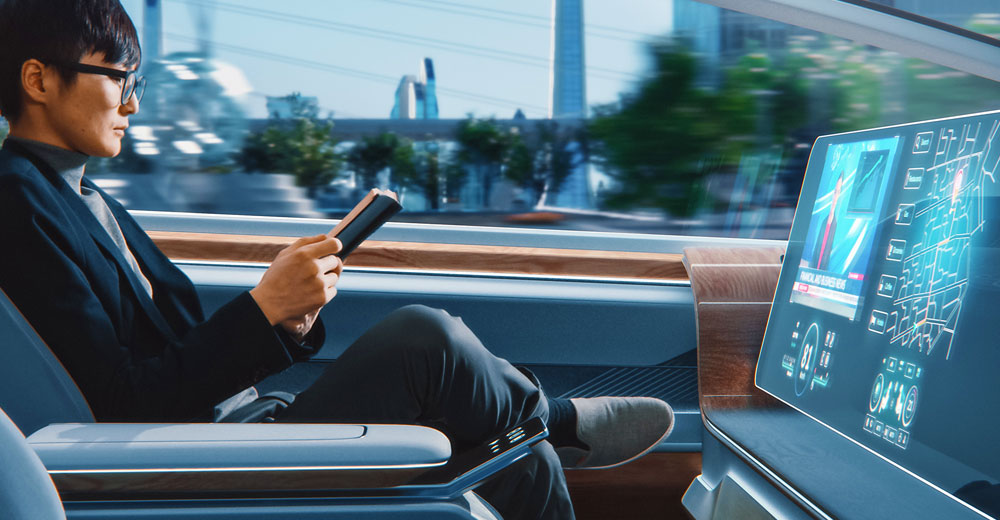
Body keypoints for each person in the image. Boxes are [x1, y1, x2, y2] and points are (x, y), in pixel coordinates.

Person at [0, 1, 674, 518]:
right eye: (117, 77)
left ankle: (546, 427)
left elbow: (164, 349)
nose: (133, 102)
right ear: (38, 79)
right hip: (192, 451)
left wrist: (285, 322)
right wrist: (263, 308)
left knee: (510, 450)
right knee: (426, 341)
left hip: (235, 421)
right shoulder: (19, 205)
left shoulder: (81, 196)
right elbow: (120, 402)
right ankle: (555, 417)